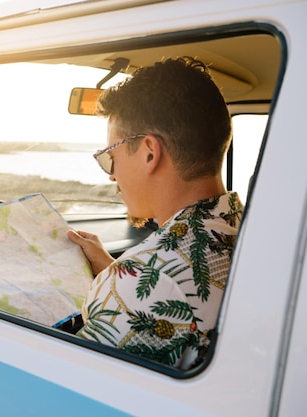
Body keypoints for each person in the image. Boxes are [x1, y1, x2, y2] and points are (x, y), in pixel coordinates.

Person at [67, 57, 243, 369]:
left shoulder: (144, 283)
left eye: (110, 156)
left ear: (150, 152)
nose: (111, 174)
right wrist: (116, 270)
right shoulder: (243, 227)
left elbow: (64, 388)